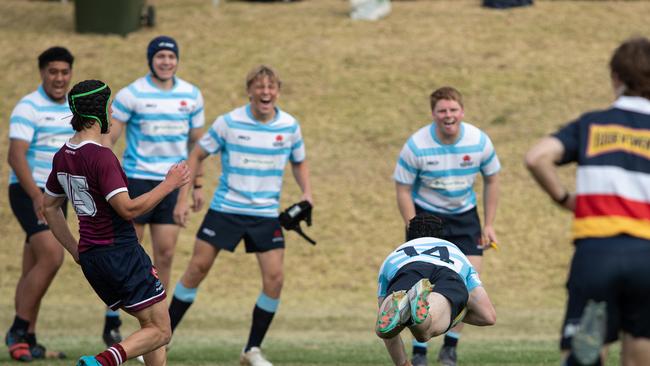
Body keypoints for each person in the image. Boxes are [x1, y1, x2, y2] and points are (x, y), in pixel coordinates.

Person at [167, 64, 313, 366]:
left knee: (275, 279)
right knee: (196, 270)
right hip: (226, 210)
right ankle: (160, 340)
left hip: (265, 215)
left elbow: (299, 161)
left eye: (271, 87)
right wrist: (183, 198)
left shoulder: (289, 126)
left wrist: (307, 195)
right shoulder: (228, 123)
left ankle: (251, 351)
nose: (266, 92)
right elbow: (196, 154)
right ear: (249, 91)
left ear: (278, 92)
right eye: (259, 87)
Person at [42, 79, 190, 366]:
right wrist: (169, 184)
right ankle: (102, 361)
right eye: (108, 107)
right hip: (121, 254)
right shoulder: (101, 157)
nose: (111, 113)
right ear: (98, 112)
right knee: (161, 330)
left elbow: (48, 207)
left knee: (149, 327)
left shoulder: (62, 156)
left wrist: (75, 250)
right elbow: (128, 210)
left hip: (94, 259)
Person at [525, 37, 650, 366]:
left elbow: (537, 157)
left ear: (616, 77)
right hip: (647, 255)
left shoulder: (592, 124)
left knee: (583, 355)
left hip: (597, 254)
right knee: (640, 352)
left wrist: (565, 198)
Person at [105, 35, 205, 346]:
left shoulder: (191, 95)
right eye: (160, 56)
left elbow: (197, 145)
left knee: (165, 253)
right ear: (152, 60)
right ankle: (112, 320)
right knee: (128, 254)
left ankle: (158, 321)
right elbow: (109, 139)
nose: (166, 61)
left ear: (177, 60)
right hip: (135, 181)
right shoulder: (131, 94)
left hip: (172, 184)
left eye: (171, 57)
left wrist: (197, 183)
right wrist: (106, 179)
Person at [393, 86, 500, 366]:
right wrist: (413, 226)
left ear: (461, 112)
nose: (448, 115)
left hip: (466, 217)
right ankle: (419, 350)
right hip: (428, 217)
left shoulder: (479, 142)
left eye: (453, 109)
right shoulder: (417, 145)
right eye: (442, 110)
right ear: (433, 114)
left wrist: (488, 224)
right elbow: (403, 188)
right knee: (420, 285)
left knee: (468, 281)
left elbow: (493, 179)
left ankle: (450, 348)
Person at [5, 46, 75, 362]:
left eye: (64, 72)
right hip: (29, 192)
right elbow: (15, 155)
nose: (59, 78)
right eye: (53, 71)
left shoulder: (73, 108)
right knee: (52, 256)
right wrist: (36, 196)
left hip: (58, 196)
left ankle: (28, 340)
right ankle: (17, 329)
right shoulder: (28, 107)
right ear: (42, 73)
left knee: (34, 265)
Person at [376, 212, 496, 366]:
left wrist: (403, 363)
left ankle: (407, 307)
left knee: (384, 329)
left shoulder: (394, 256)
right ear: (441, 237)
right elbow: (488, 316)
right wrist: (455, 312)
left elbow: (384, 316)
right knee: (424, 333)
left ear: (409, 236)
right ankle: (421, 309)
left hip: (407, 269)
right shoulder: (455, 252)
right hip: (447, 272)